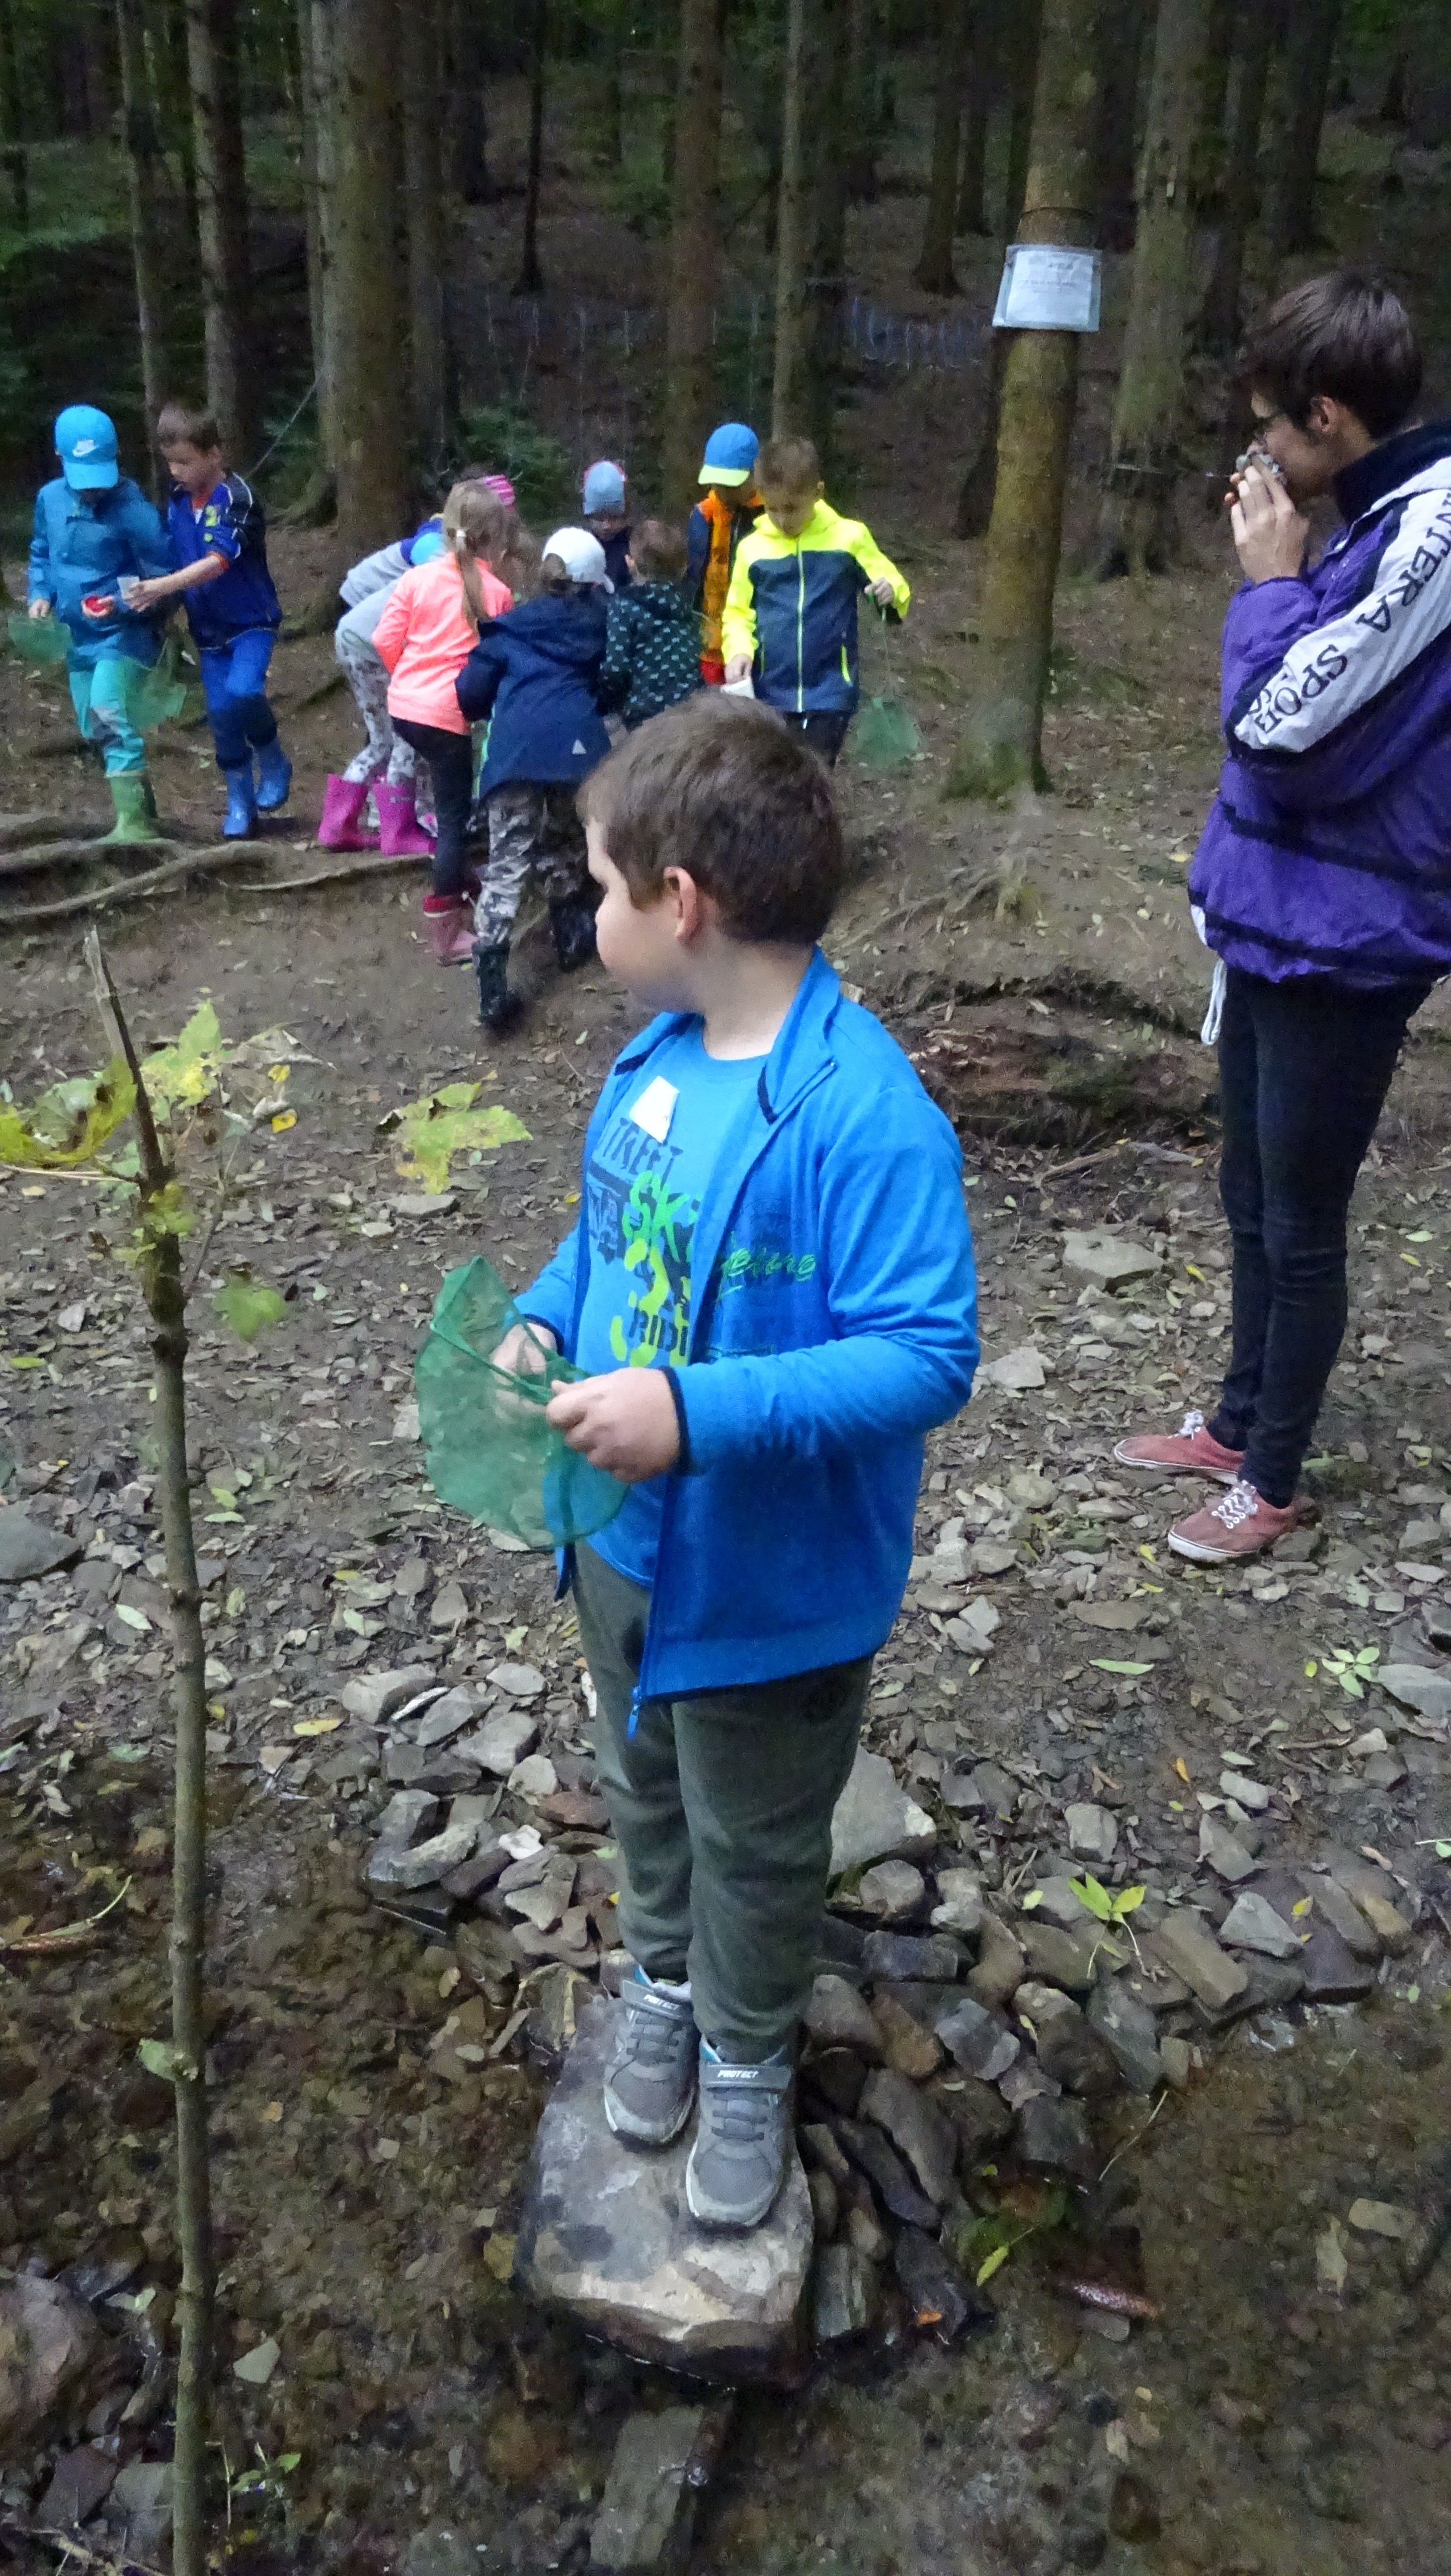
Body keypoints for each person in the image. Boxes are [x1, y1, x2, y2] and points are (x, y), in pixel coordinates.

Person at [495, 696, 978, 2229]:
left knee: (757, 1842)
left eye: (599, 887)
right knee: (644, 1793)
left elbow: (925, 1354)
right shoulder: (654, 1062)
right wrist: (541, 1317)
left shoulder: (862, 1115)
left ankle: (750, 2052)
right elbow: (604, 1240)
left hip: (771, 1593)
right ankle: (660, 1979)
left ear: (680, 902)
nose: (587, 917)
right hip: (620, 1548)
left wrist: (692, 1415)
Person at [1116, 273, 1451, 1563]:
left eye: (1269, 424)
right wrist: (1291, 580)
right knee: (1248, 1191)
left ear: (1326, 417)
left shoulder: (1432, 530)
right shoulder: (1367, 521)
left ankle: (1271, 1478)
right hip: (1277, 918)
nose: (1254, 449)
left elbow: (1280, 728)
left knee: (1303, 1222)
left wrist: (1266, 583)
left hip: (1348, 944)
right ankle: (1236, 1423)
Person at [455, 526, 613, 1033]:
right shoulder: (599, 625)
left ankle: (492, 987)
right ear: (592, 583)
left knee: (507, 861)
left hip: (515, 756)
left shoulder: (510, 630)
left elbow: (470, 692)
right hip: (577, 753)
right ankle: (572, 934)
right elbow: (614, 681)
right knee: (566, 838)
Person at [125, 401, 288, 841]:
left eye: (185, 461)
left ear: (214, 454)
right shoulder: (178, 503)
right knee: (220, 714)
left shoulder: (236, 498)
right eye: (170, 462)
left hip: (251, 621)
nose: (176, 471)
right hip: (208, 630)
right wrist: (156, 603)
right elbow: (177, 558)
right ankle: (241, 800)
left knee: (244, 691)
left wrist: (162, 586)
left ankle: (272, 757)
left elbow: (218, 561)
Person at [373, 483, 514, 966]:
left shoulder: (417, 579)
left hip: (405, 708)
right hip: (448, 715)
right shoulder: (497, 594)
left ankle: (456, 873)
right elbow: (496, 662)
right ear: (495, 538)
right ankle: (447, 931)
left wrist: (408, 680)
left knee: (446, 799)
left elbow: (384, 639)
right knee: (455, 819)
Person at [26, 403, 174, 845]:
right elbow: (41, 553)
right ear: (59, 456)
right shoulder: (50, 500)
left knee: (108, 711)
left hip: (125, 636)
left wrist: (124, 605)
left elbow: (165, 577)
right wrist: (40, 594)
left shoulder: (133, 510)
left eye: (99, 476)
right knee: (92, 726)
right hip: (78, 638)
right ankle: (145, 807)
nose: (93, 489)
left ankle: (135, 826)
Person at [722, 434, 910, 763]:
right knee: (774, 777)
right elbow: (738, 612)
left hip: (830, 691)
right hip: (769, 691)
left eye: (791, 508)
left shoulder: (849, 538)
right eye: (772, 509)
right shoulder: (752, 550)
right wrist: (738, 651)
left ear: (817, 493)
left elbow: (890, 583)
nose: (782, 520)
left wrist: (890, 591)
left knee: (813, 773)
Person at [322, 526, 449, 854]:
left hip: (354, 638)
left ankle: (337, 824)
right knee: (408, 735)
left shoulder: (436, 565)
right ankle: (399, 830)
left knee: (383, 740)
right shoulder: (442, 570)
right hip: (378, 646)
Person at [597, 519, 701, 728]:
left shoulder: (624, 605)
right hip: (693, 706)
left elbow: (616, 667)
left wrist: (608, 703)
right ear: (684, 568)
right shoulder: (687, 601)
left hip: (646, 715)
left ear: (630, 563)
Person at [685, 421, 761, 685]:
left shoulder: (770, 516)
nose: (723, 490)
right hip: (707, 641)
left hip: (752, 643)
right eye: (718, 483)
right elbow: (693, 578)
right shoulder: (703, 515)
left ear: (754, 474)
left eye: (732, 484)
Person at [583, 459, 632, 591]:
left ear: (625, 514)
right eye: (599, 519)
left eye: (614, 518)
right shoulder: (582, 549)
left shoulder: (634, 547)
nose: (607, 526)